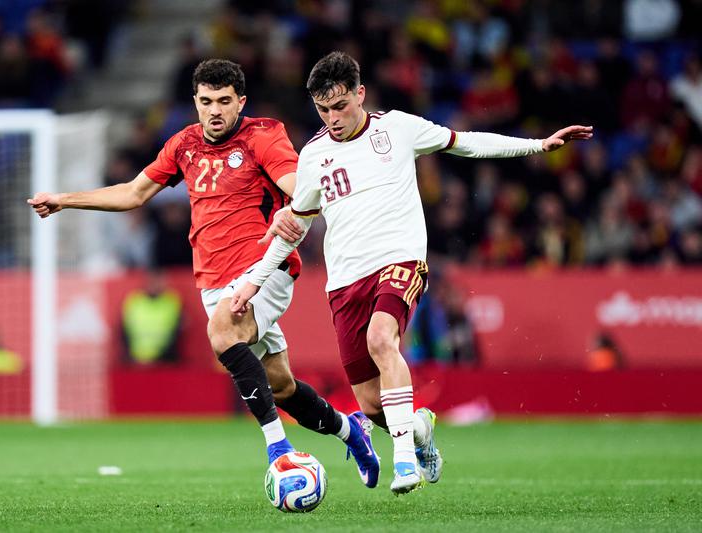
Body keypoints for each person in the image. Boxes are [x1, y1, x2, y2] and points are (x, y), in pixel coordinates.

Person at [231, 51, 593, 494]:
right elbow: (296, 227)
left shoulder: (398, 128)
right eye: (323, 110)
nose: (333, 118)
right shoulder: (314, 156)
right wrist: (254, 281)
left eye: (340, 105)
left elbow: (465, 142)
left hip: (400, 259)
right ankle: (419, 430)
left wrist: (537, 145)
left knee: (381, 338)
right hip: (345, 281)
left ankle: (405, 463)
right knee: (370, 402)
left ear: (360, 94)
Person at [27, 59, 380, 487]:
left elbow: (298, 186)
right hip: (211, 281)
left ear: (241, 102)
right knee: (281, 387)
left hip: (265, 270)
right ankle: (351, 431)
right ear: (195, 102)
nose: (215, 110)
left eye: (224, 101)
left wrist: (296, 208)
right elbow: (134, 193)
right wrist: (64, 200)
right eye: (207, 101)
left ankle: (279, 451)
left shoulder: (263, 135)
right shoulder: (184, 145)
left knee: (222, 333)